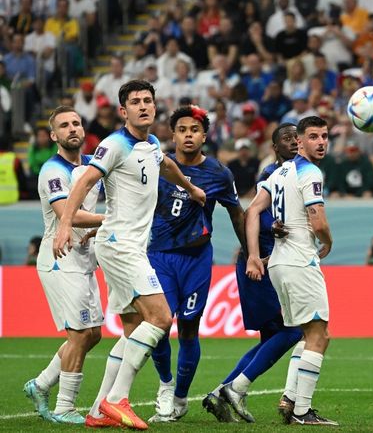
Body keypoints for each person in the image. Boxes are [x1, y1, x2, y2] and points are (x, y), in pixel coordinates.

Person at [52, 80, 206, 429]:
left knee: (132, 328)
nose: (142, 106)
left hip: (129, 245)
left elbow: (164, 164)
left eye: (147, 101)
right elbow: (85, 181)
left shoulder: (151, 143)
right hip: (120, 245)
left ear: (154, 107)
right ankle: (117, 398)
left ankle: (95, 412)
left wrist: (190, 187)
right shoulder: (114, 144)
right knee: (162, 318)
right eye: (135, 102)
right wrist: (65, 225)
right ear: (123, 111)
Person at [146, 105, 247, 423]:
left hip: (197, 260)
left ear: (204, 136)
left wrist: (251, 252)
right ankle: (165, 385)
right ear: (172, 134)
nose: (188, 135)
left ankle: (179, 399)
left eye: (194, 130)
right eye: (182, 130)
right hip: (159, 257)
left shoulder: (219, 173)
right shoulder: (155, 164)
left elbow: (236, 214)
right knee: (159, 326)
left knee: (189, 329)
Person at [202, 123, 303, 424]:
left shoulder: (295, 174)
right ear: (275, 148)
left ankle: (220, 392)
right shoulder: (274, 176)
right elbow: (253, 217)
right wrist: (255, 255)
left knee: (272, 338)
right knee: (294, 331)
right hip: (259, 265)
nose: (294, 142)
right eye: (286, 139)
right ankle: (235, 389)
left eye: (296, 137)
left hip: (267, 263)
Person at [245, 116, 337, 426]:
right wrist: (328, 242)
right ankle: (302, 411)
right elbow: (319, 221)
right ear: (299, 142)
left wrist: (255, 255)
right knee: (319, 334)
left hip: (279, 263)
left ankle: (290, 398)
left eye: (324, 136)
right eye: (313, 137)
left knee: (307, 334)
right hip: (299, 261)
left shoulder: (279, 172)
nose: (321, 141)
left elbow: (253, 210)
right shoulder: (310, 172)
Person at [24, 106, 105, 424]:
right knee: (80, 333)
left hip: (84, 259)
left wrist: (100, 227)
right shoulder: (52, 171)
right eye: (64, 125)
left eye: (76, 123)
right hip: (59, 260)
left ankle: (40, 385)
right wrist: (112, 220)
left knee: (93, 334)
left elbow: (90, 216)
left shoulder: (91, 168)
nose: (72, 128)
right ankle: (64, 406)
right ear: (54, 135)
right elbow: (66, 214)